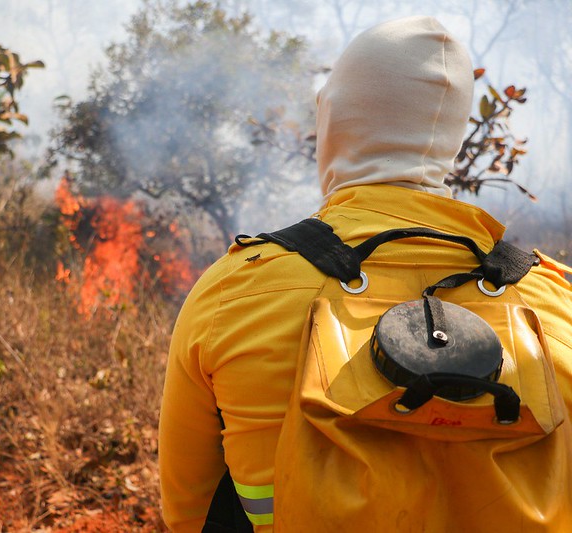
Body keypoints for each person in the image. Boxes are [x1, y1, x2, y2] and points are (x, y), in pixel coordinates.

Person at [159, 15, 572, 532]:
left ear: (335, 120)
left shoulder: (235, 290)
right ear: (452, 137)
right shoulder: (557, 305)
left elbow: (185, 512)